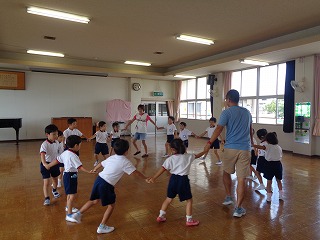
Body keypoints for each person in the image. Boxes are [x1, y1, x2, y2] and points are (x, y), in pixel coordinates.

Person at [71, 139, 148, 234]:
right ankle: (102, 226)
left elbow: (100, 164)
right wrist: (145, 178)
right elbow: (135, 172)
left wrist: (94, 169)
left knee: (94, 200)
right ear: (126, 151)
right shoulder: (125, 162)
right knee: (111, 205)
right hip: (106, 185)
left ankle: (77, 214)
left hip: (99, 180)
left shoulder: (112, 157)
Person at [204, 89, 253, 218]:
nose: (225, 102)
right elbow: (250, 130)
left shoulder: (226, 112)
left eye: (226, 99)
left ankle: (228, 197)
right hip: (245, 149)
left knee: (226, 172)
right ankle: (238, 208)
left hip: (231, 148)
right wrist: (252, 144)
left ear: (228, 99)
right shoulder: (247, 112)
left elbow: (219, 128)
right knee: (241, 179)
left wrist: (209, 143)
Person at [147, 139, 206, 226]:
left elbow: (163, 169)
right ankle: (189, 220)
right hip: (183, 180)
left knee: (168, 199)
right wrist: (205, 150)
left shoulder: (170, 159)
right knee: (189, 200)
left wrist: (154, 178)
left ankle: (161, 216)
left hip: (173, 180)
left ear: (172, 149)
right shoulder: (188, 156)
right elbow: (197, 155)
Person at [45, 135, 91, 223]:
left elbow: (57, 160)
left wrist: (48, 165)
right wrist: (89, 171)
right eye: (80, 144)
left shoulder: (65, 152)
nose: (80, 146)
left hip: (67, 175)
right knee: (72, 196)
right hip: (70, 176)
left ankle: (68, 207)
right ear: (76, 145)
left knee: (69, 194)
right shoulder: (73, 156)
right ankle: (69, 215)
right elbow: (80, 167)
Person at [254, 132, 283, 202]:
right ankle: (281, 195)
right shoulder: (279, 147)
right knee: (279, 180)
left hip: (270, 164)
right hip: (278, 164)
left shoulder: (268, 146)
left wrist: (253, 145)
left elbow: (261, 147)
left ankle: (269, 197)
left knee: (269, 181)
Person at [40, 124, 61, 206]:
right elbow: (42, 155)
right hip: (46, 165)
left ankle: (54, 190)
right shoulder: (44, 144)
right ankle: (47, 198)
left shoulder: (57, 142)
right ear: (47, 135)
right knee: (46, 182)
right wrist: (45, 164)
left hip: (54, 164)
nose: (56, 136)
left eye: (57, 134)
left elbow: (59, 152)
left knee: (55, 180)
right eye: (54, 134)